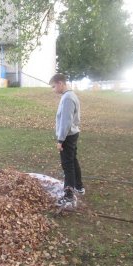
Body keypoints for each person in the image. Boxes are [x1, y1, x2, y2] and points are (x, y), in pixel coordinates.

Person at [49, 73, 85, 209]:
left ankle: (68, 196)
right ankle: (79, 186)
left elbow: (66, 121)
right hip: (72, 135)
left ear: (60, 83)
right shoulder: (69, 96)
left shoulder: (68, 98)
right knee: (73, 160)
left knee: (67, 165)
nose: (53, 90)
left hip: (68, 136)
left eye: (53, 86)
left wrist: (60, 140)